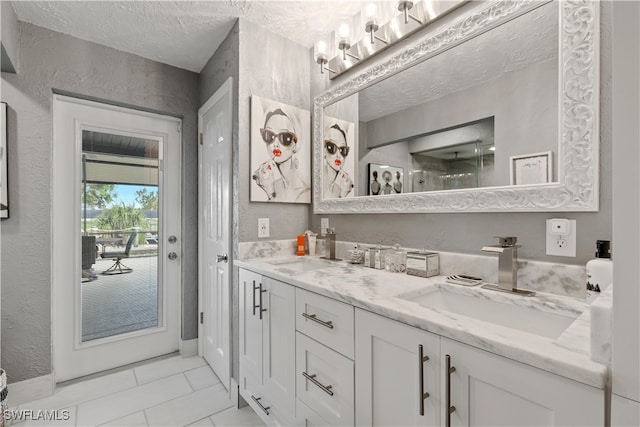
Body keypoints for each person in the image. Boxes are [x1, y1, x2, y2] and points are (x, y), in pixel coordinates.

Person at [252, 108, 310, 202]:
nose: (275, 144)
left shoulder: (303, 192)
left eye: (285, 138)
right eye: (269, 135)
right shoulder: (273, 180)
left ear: (295, 143)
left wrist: (272, 194)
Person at [323, 123, 353, 198]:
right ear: (323, 150)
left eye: (343, 150)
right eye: (331, 147)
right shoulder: (320, 184)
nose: (338, 155)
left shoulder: (346, 184)